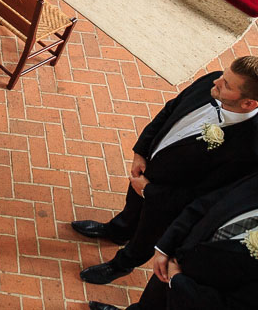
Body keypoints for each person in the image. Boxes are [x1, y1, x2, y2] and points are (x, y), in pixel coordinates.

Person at [72, 56, 258, 285]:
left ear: (248, 103)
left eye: (227, 84)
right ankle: (117, 230)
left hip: (166, 203)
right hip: (148, 169)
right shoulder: (212, 81)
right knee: (132, 209)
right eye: (224, 75)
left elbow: (203, 194)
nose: (217, 81)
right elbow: (170, 110)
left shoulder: (249, 149)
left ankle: (122, 264)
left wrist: (151, 191)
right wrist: (140, 151)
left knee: (146, 237)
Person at [88, 170, 258, 310]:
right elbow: (205, 205)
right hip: (175, 262)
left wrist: (178, 281)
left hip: (195, 298)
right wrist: (166, 247)